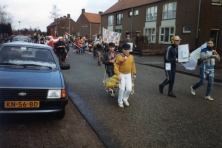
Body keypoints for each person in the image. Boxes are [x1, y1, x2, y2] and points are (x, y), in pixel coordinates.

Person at [114, 43, 136, 108]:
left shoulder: (131, 57)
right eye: (125, 50)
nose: (127, 51)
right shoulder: (119, 56)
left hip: (128, 74)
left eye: (128, 50)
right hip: (121, 74)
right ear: (122, 50)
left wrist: (134, 73)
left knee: (129, 89)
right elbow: (116, 66)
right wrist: (118, 74)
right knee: (122, 89)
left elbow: (133, 65)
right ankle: (120, 101)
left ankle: (125, 98)